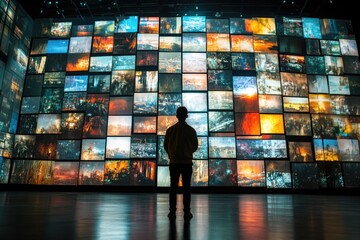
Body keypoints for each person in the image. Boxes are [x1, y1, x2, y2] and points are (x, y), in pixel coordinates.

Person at [164, 106, 198, 221]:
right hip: (187, 163)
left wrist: (172, 154)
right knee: (187, 188)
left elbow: (165, 146)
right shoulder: (191, 130)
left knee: (173, 187)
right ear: (186, 115)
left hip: (174, 162)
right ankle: (187, 212)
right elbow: (195, 146)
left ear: (177, 116)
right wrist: (187, 152)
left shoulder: (170, 130)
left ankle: (172, 212)